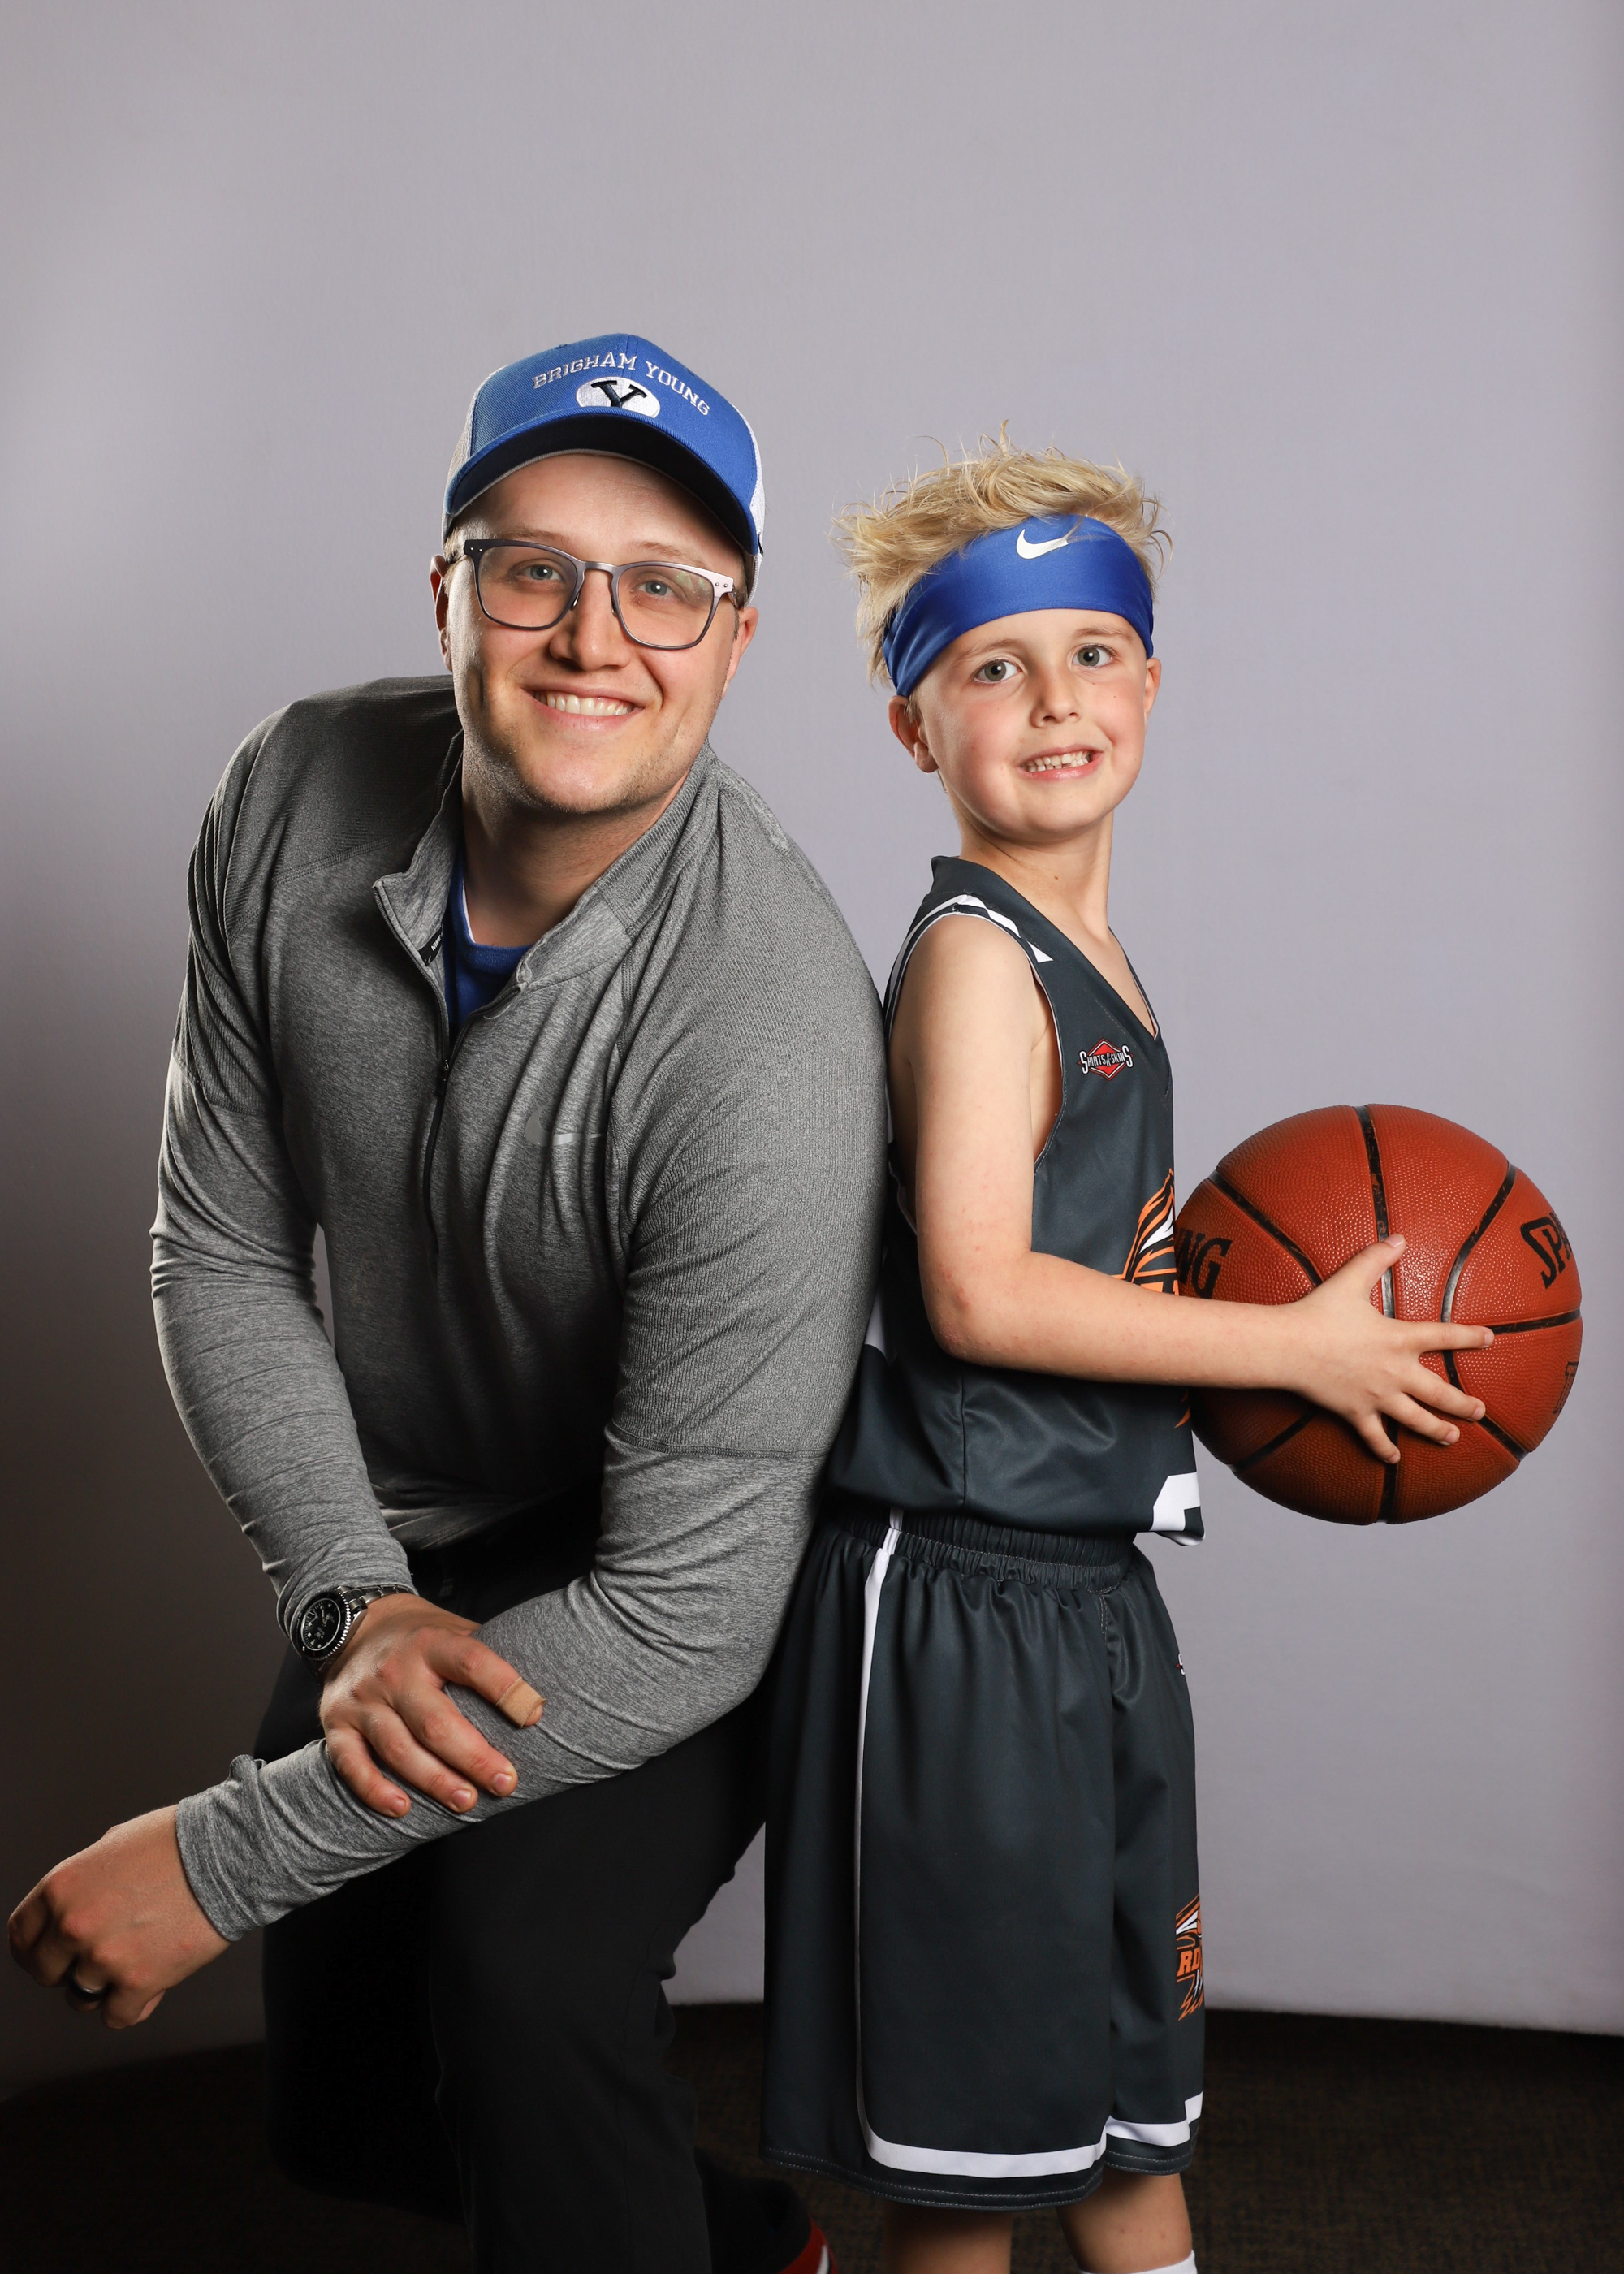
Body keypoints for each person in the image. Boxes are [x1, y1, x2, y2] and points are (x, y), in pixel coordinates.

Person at [8, 333, 886, 2274]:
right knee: (344, 2099)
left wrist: (217, 1852)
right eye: (533, 567)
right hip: (420, 1530)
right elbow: (222, 1248)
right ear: (446, 589)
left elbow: (684, 1607)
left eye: (663, 586)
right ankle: (751, 2250)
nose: (594, 636)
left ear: (735, 642)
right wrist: (358, 1598)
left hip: (698, 1562)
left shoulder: (768, 1028)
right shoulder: (291, 789)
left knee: (517, 1976)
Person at [758, 438, 1492, 2274]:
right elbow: (976, 1296)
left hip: (1081, 1584)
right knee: (968, 2165)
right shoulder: (974, 960)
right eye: (992, 666)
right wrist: (1293, 1348)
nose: (1053, 699)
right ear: (913, 725)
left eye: (1091, 651)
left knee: (1124, 2109)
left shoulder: (1094, 954)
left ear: (1151, 682)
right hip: (956, 1599)